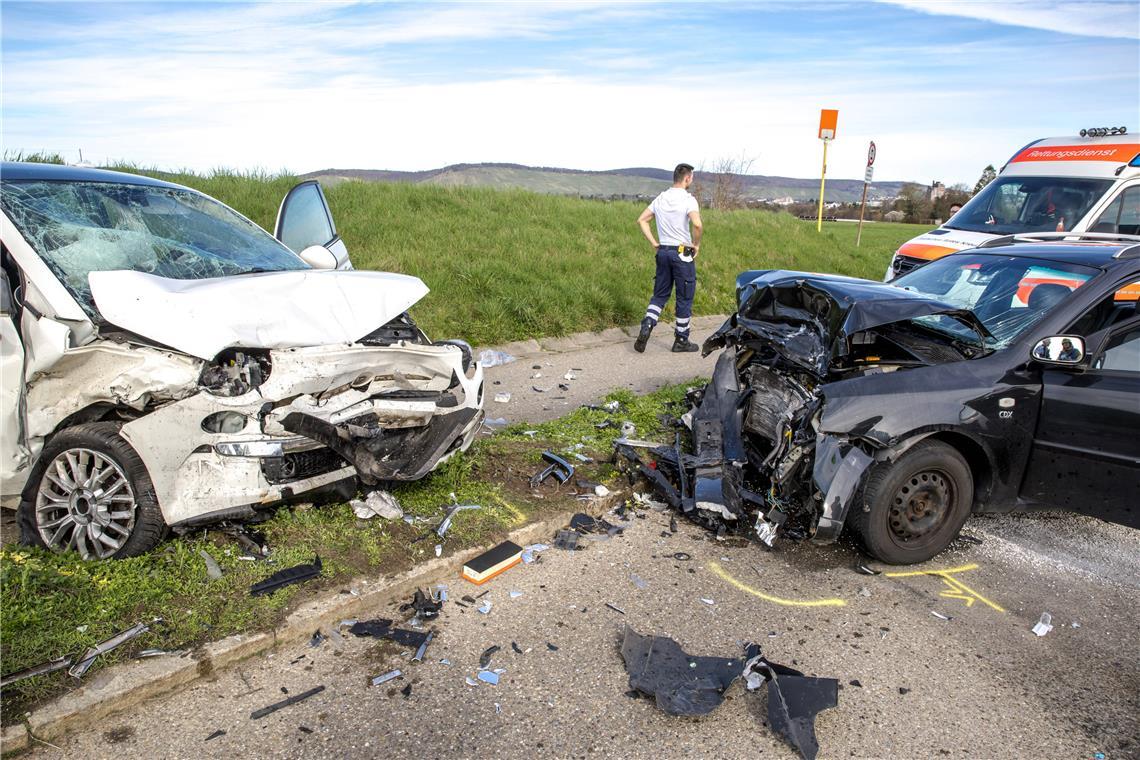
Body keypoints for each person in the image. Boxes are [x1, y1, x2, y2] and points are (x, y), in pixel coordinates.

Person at [634, 163, 703, 353]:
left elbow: (642, 220)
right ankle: (681, 339)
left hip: (663, 251)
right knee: (684, 296)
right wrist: (696, 245)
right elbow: (697, 225)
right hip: (683, 252)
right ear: (687, 178)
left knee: (660, 294)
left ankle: (648, 322)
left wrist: (655, 243)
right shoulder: (689, 200)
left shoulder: (661, 198)